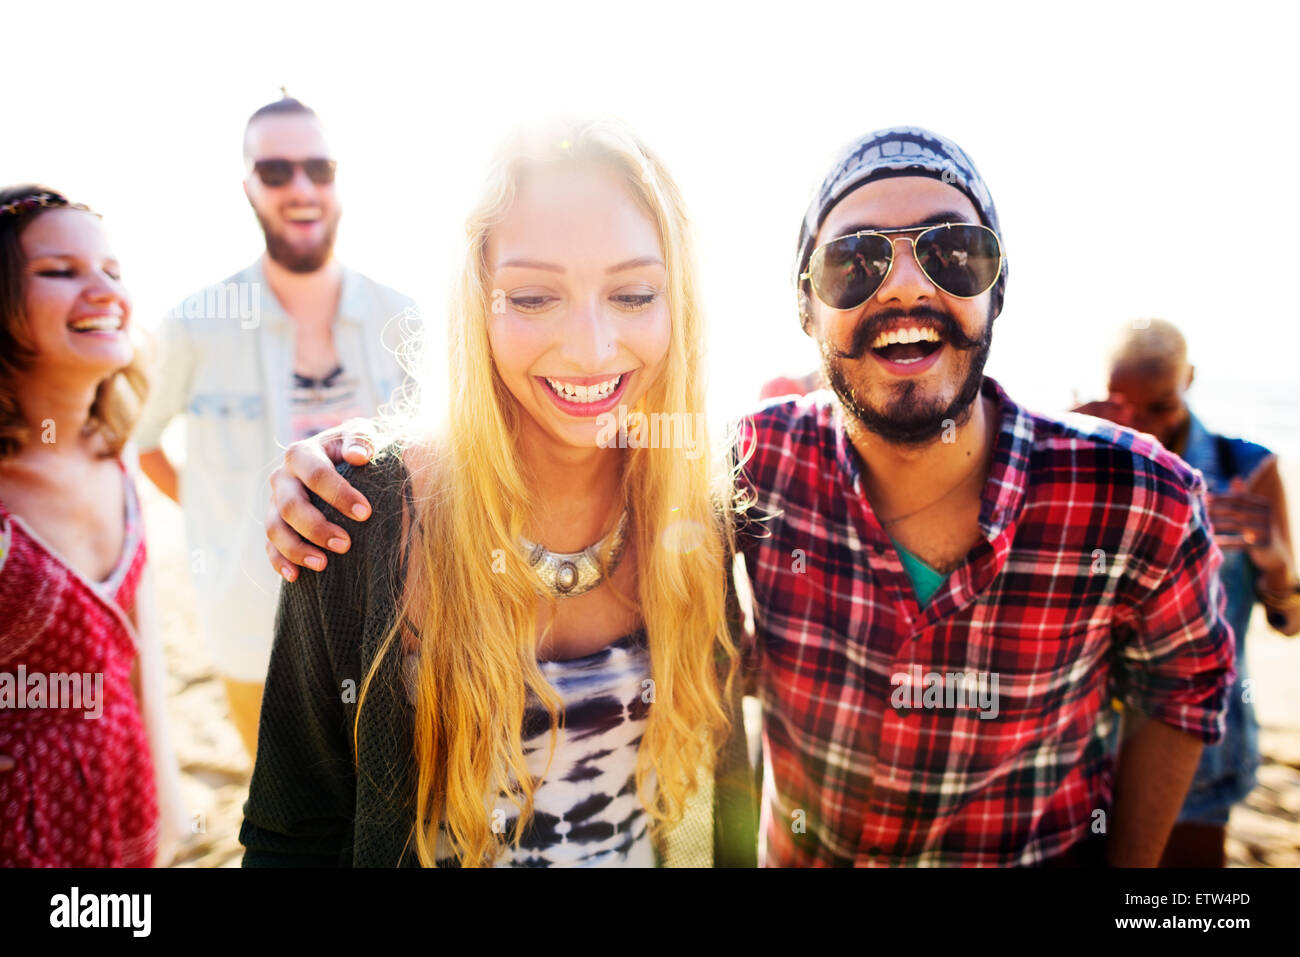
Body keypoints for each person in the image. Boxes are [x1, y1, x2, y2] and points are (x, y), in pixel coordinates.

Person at [266, 126, 1233, 867]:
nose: (906, 287)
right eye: (855, 261)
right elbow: (293, 826)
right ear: (805, 307)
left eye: (954, 252)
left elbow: (1186, 692)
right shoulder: (752, 472)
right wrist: (345, 464)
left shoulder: (1139, 494)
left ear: (999, 288)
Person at [239, 117, 757, 867]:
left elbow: (727, 794)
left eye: (635, 294)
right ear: (475, 302)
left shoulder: (695, 503)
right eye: (536, 296)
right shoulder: (356, 516)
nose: (591, 346)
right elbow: (291, 833)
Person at [134, 94, 418, 758]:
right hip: (247, 621)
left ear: (340, 178)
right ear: (248, 187)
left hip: (394, 623)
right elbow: (141, 439)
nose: (300, 188)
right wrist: (221, 513)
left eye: (319, 168)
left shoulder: (403, 318)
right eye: (277, 171)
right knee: (282, 814)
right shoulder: (194, 324)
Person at [0, 186, 186, 866]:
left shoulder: (116, 460)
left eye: (112, 270)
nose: (103, 290)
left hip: (121, 793)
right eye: (59, 271)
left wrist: (166, 797)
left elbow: (138, 655)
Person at [1074, 318, 1299, 866]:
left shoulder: (1244, 468)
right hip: (1083, 741)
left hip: (1201, 741)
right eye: (1125, 403)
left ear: (1190, 380)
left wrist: (1275, 561)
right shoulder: (1077, 454)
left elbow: (1290, 621)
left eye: (1161, 405)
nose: (1145, 424)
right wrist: (1067, 448)